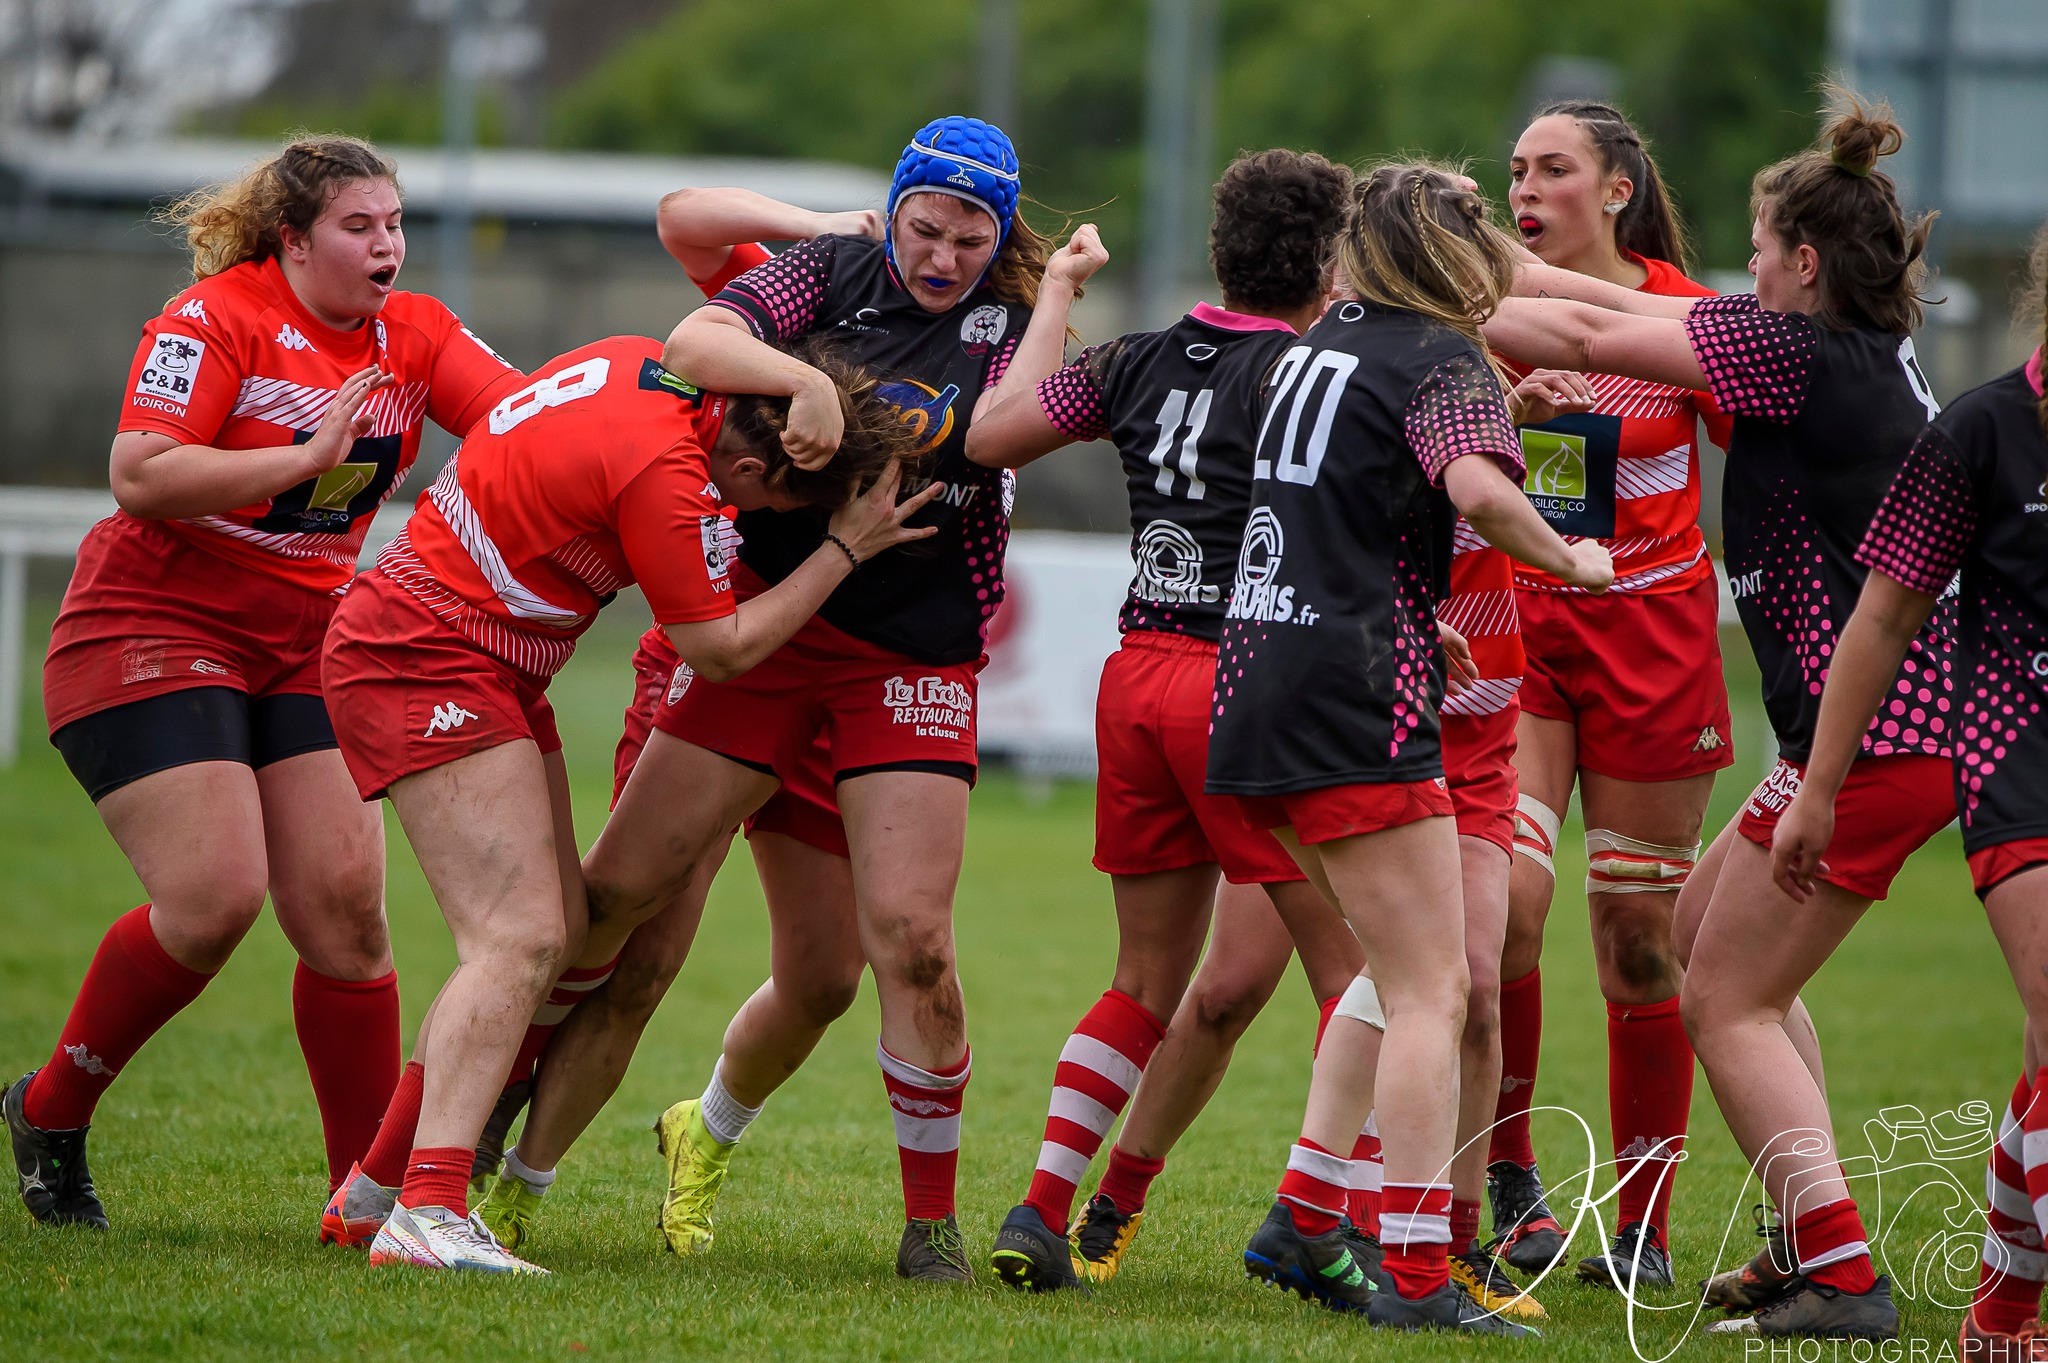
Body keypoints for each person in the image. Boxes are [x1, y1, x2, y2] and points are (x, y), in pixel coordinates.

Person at [467, 116, 1104, 1282]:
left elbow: (1019, 425)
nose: (943, 254)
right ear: (895, 206)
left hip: (910, 661)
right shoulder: (835, 267)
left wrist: (1054, 292)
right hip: (766, 634)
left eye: (971, 236)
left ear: (999, 234)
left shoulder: (1011, 323)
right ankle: (496, 1160)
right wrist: (800, 373)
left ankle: (927, 1230)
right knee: (614, 903)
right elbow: (691, 338)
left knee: (906, 946)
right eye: (925, 225)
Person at [1482, 92, 1947, 1340]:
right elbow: (1635, 306)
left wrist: (1416, 293)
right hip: (1863, 739)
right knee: (1699, 941)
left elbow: (1592, 321)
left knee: (1719, 997)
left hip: (1877, 744)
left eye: (1754, 251)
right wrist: (1476, 271)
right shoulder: (1840, 342)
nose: (1736, 273)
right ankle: (1804, 1234)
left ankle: (1839, 1270)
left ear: (1802, 264)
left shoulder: (1792, 355)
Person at [318, 333, 932, 1272]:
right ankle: (429, 1211)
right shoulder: (667, 471)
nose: (753, 516)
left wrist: (810, 377)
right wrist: (842, 550)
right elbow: (721, 649)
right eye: (770, 500)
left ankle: (375, 1189)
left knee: (554, 930)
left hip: (481, 656)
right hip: (425, 650)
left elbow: (694, 249)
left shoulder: (648, 361)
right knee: (519, 940)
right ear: (749, 460)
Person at [4, 136, 523, 1229]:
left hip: (306, 637)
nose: (386, 245)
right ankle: (48, 1110)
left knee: (347, 915)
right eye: (358, 227)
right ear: (292, 241)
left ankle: (364, 1201)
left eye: (393, 224)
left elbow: (524, 424)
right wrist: (296, 455)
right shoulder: (215, 319)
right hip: (151, 619)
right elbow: (139, 473)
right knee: (214, 898)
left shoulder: (414, 332)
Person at [1215, 162, 1611, 1337]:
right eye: (1477, 223)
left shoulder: (1312, 347)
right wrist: (1569, 558)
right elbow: (1480, 490)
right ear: (1440, 250)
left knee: (1405, 980)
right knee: (1435, 989)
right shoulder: (1437, 356)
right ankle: (1419, 1275)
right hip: (1351, 703)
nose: (1493, 235)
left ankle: (1309, 1213)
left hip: (1264, 679)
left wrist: (1400, 610)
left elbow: (1317, 502)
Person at [952, 148, 1357, 1292]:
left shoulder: (1136, 359)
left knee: (1142, 977)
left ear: (1220, 252)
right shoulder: (1310, 376)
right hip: (1244, 686)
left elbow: (991, 435)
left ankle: (1040, 1207)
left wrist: (1060, 296)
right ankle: (1347, 1225)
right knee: (1367, 976)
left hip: (1134, 679)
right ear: (1324, 263)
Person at [1767, 227, 2048, 1360]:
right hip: (2014, 761)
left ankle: (1999, 1306)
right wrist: (1814, 788)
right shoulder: (1978, 432)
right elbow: (1880, 618)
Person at [1486, 100, 1737, 1288]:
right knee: (1506, 914)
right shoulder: (1485, 312)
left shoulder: (1684, 314)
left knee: (1637, 942)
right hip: (1522, 638)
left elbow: (1784, 433)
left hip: (1653, 642)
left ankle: (1636, 1230)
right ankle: (1509, 1181)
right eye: (1515, 172)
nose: (1524, 189)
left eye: (1552, 169)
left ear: (1617, 187)